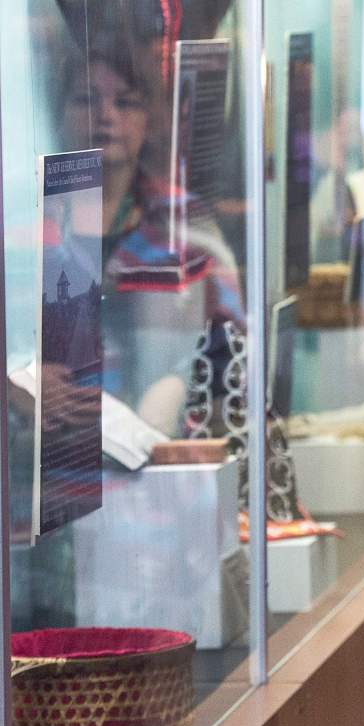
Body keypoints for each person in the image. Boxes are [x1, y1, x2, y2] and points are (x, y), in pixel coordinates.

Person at [58, 49, 243, 437]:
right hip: (48, 477)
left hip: (166, 470)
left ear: (150, 120)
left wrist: (178, 390)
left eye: (125, 102)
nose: (104, 115)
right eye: (86, 100)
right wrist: (16, 386)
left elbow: (232, 352)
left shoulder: (184, 222)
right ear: (59, 111)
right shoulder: (24, 223)